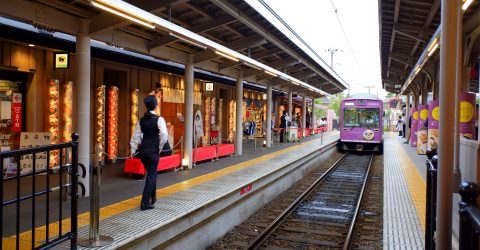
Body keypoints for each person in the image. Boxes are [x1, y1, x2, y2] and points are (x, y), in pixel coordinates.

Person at [130, 95, 168, 211]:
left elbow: (136, 136)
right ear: (156, 105)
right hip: (153, 151)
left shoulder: (141, 120)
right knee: (151, 176)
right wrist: (160, 147)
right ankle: (144, 203)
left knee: (152, 173)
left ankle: (153, 197)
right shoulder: (159, 119)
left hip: (143, 152)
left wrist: (133, 150)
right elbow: (164, 135)